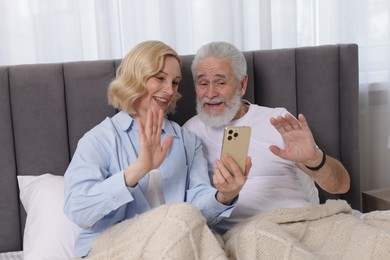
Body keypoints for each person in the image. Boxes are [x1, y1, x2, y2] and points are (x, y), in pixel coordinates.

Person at [63, 40, 249, 258]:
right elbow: (78, 210)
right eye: (160, 78)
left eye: (175, 82)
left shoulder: (188, 140)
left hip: (175, 244)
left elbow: (197, 210)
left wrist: (224, 196)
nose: (169, 90)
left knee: (194, 227)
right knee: (177, 217)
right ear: (136, 77)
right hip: (111, 248)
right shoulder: (99, 139)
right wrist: (138, 170)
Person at [183, 41, 351, 234]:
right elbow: (192, 209)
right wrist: (225, 194)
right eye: (203, 83)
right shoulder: (190, 133)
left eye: (221, 82)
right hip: (249, 233)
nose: (211, 93)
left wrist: (314, 159)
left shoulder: (278, 120)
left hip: (305, 222)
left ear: (242, 84)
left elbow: (341, 186)